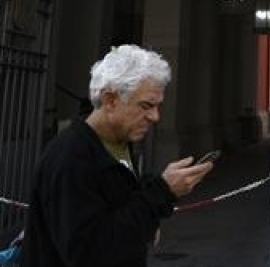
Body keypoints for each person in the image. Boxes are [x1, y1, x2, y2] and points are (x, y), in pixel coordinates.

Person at [21, 45, 213, 267]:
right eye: (146, 106)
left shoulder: (118, 139)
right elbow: (90, 254)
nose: (155, 116)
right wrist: (162, 192)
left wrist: (159, 189)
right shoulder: (70, 159)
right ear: (110, 100)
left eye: (158, 106)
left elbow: (117, 199)